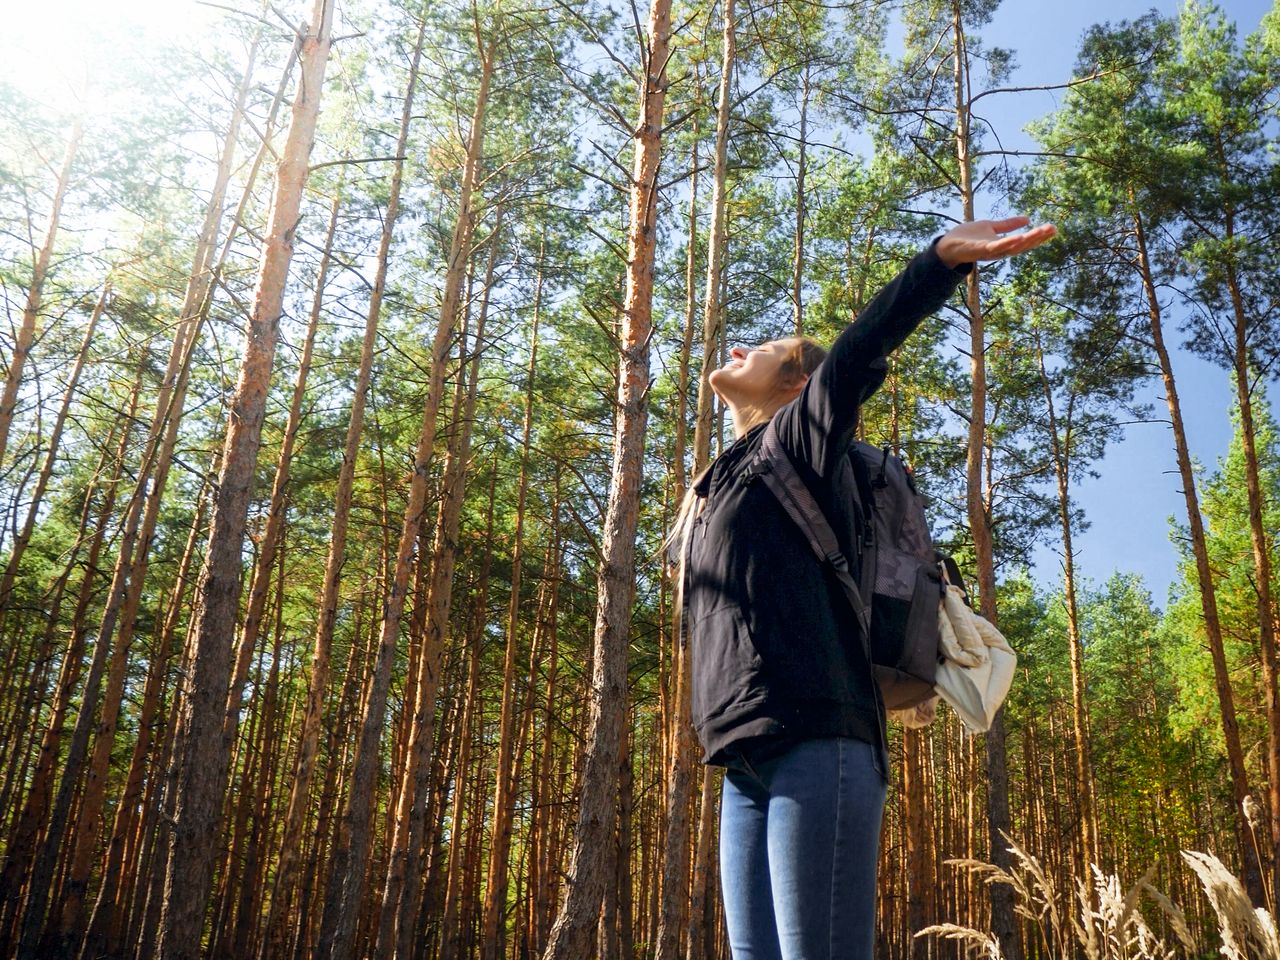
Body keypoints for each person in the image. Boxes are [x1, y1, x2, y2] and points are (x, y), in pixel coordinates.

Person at [675, 217, 1056, 960]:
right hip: (743, 755)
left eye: (770, 350)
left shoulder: (795, 445)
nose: (740, 349)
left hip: (821, 738)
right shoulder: (721, 481)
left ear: (797, 385)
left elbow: (853, 360)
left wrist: (938, 263)